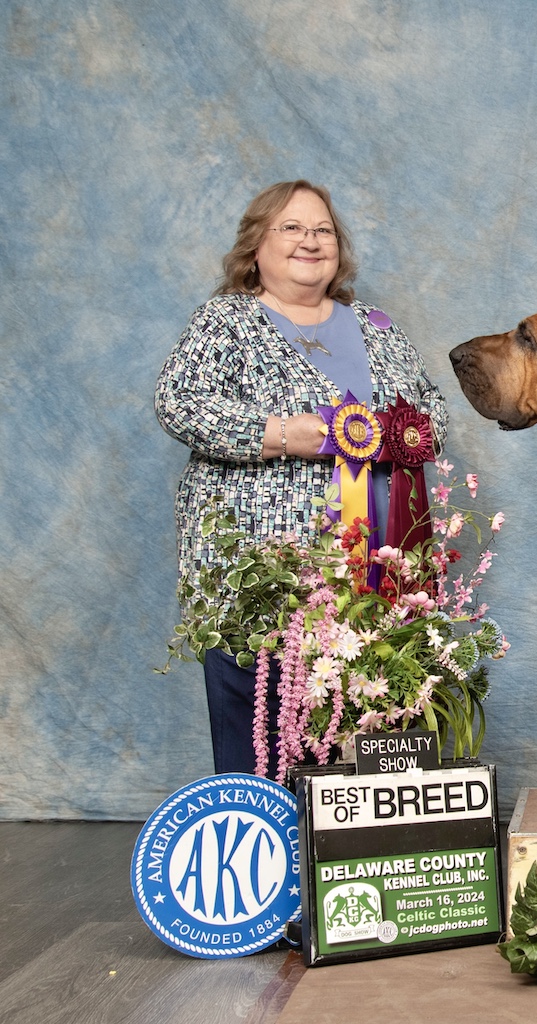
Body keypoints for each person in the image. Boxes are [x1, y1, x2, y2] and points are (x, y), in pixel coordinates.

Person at [155, 179, 447, 776]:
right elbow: (179, 402)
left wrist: (399, 434)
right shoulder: (225, 320)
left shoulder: (376, 324)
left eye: (323, 230)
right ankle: (265, 830)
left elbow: (432, 410)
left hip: (374, 570)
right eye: (291, 228)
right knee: (263, 727)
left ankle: (345, 835)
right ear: (255, 246)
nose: (310, 241)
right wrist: (285, 433)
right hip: (264, 569)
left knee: (365, 722)